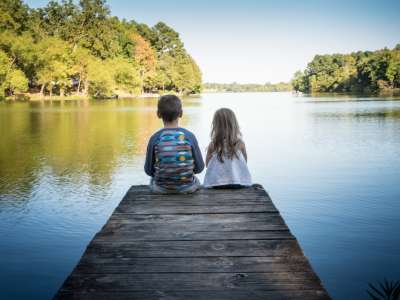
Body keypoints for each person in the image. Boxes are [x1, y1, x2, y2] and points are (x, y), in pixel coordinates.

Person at [144, 94, 204, 193]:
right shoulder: (189, 136)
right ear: (181, 113)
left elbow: (148, 170)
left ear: (158, 114)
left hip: (161, 189)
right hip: (187, 187)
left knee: (151, 181)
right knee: (197, 181)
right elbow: (199, 168)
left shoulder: (155, 138)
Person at [203, 108, 252, 188]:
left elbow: (208, 165)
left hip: (217, 184)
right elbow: (244, 162)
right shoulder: (240, 144)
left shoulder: (213, 145)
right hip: (238, 183)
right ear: (234, 125)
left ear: (216, 126)